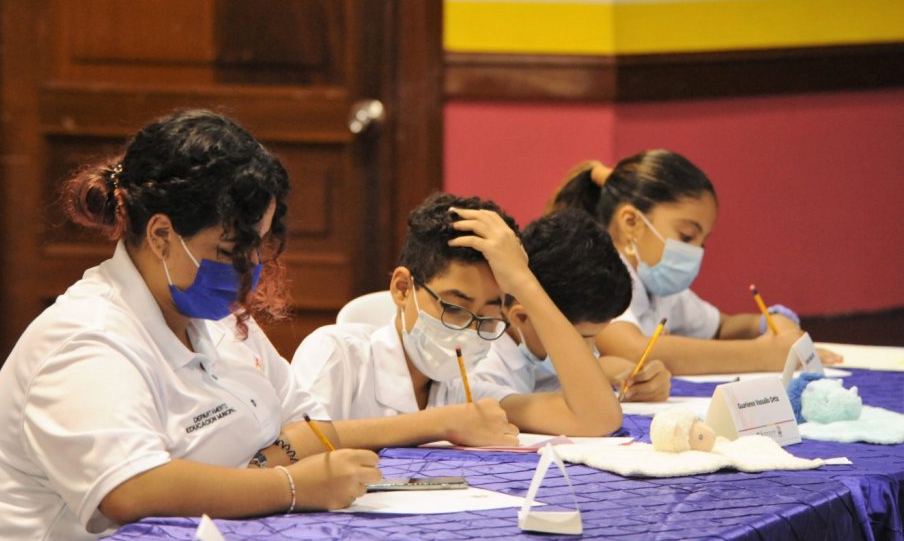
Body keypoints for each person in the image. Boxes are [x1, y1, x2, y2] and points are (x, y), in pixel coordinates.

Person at [0, 110, 382, 541]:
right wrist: (289, 487)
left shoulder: (214, 318)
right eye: (232, 247)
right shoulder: (86, 338)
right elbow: (131, 490)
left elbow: (312, 425)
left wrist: (250, 472)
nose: (250, 265)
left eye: (259, 244)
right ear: (160, 235)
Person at [291, 193, 623, 438]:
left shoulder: (466, 384)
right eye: (454, 308)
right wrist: (439, 424)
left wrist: (524, 282)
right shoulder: (338, 353)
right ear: (403, 288)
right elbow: (294, 442)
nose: (468, 331)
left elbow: (596, 419)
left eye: (486, 317)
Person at [548, 149, 841, 375]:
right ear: (631, 222)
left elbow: (721, 327)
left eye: (703, 241)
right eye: (687, 236)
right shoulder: (598, 276)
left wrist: (767, 323)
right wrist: (765, 355)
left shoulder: (659, 285)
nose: (696, 252)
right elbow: (633, 350)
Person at [473, 208, 672, 402]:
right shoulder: (486, 373)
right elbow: (595, 418)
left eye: (595, 337)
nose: (591, 352)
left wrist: (641, 378)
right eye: (581, 338)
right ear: (522, 317)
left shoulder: (534, 349)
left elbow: (603, 366)